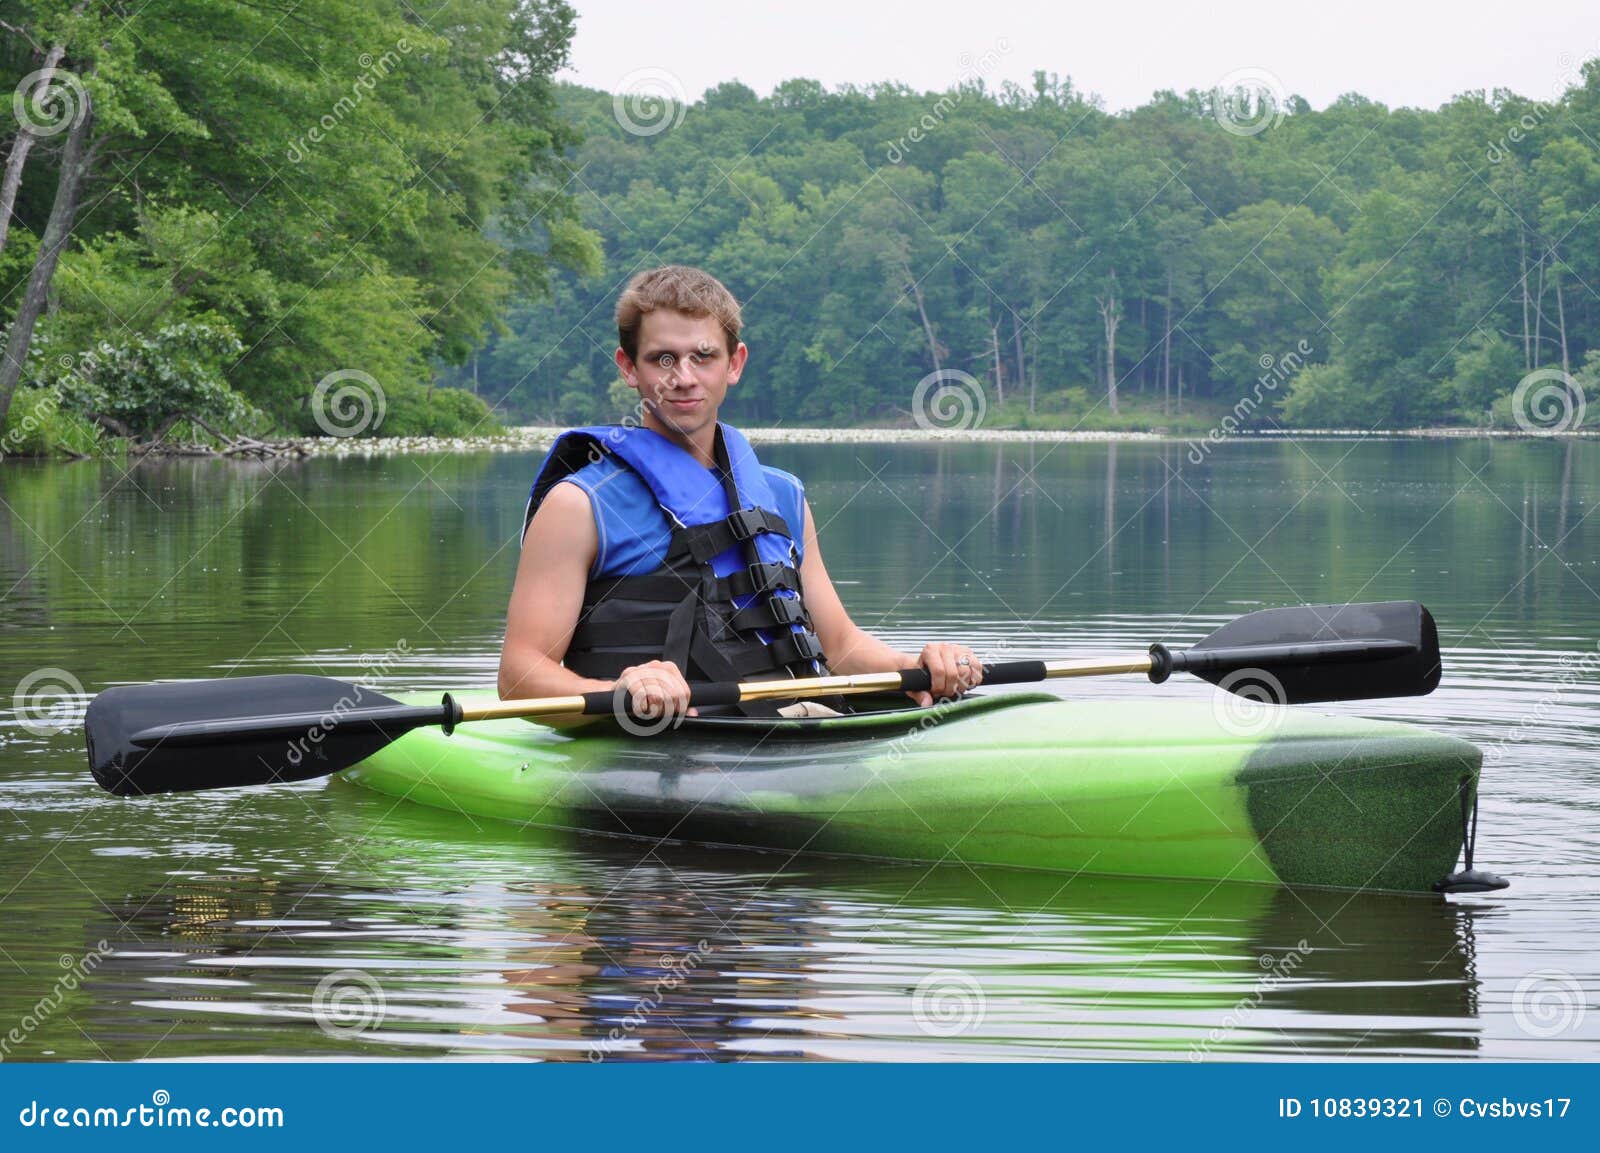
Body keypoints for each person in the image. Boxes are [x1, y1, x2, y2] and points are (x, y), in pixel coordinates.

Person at [499, 265, 982, 722]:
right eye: (662, 358)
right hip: (672, 741)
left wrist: (919, 664)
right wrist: (620, 693)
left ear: (735, 363)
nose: (684, 377)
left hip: (799, 725)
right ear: (629, 368)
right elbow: (519, 677)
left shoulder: (783, 496)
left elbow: (839, 646)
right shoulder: (578, 505)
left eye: (703, 356)